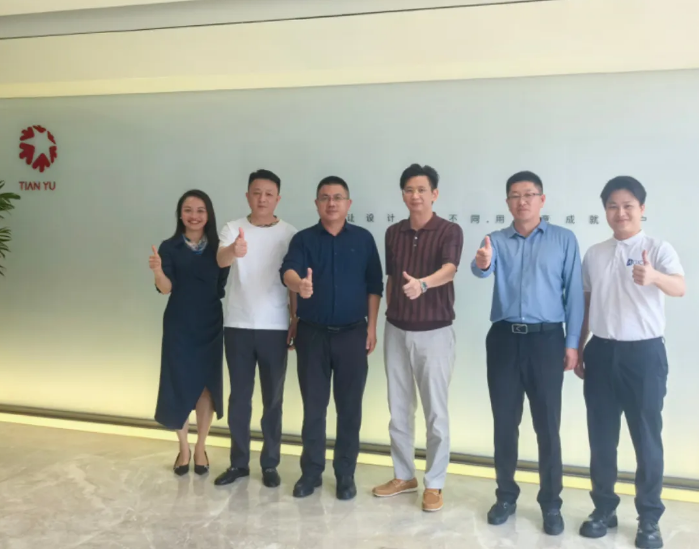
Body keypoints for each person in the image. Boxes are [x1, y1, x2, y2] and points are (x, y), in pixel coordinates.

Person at [471, 171, 583, 535]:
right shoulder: (495, 240)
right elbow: (481, 269)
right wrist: (483, 262)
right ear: (507, 202)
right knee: (505, 423)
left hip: (547, 340)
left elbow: (574, 295)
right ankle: (505, 496)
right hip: (504, 339)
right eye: (515, 195)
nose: (522, 201)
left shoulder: (564, 239)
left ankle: (551, 503)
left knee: (547, 426)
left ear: (542, 200)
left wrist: (572, 343)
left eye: (529, 194)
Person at [575, 176, 685, 549]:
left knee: (647, 438)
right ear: (605, 210)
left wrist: (654, 276)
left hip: (645, 354)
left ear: (641, 209)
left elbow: (680, 287)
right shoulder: (595, 253)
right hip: (602, 352)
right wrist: (579, 347)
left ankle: (649, 519)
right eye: (612, 206)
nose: (620, 212)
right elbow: (586, 304)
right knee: (601, 438)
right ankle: (603, 509)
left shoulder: (658, 248)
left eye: (628, 206)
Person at [280, 176, 383, 500]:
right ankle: (311, 473)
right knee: (314, 408)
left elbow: (374, 286)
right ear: (316, 204)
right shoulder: (303, 240)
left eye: (338, 197)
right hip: (312, 334)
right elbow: (288, 272)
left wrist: (371, 327)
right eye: (325, 197)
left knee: (350, 409)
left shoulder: (363, 239)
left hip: (353, 334)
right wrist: (299, 286)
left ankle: (345, 474)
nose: (332, 203)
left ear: (348, 204)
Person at [372, 164, 463, 512]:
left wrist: (423, 284)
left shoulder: (449, 230)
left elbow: (450, 270)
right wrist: (389, 313)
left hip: (435, 332)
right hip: (396, 329)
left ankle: (434, 483)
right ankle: (403, 475)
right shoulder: (393, 232)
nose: (415, 196)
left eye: (422, 190)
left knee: (435, 412)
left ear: (434, 194)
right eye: (409, 190)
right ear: (403, 195)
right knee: (398, 408)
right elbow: (392, 278)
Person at [213, 170, 297, 488]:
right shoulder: (233, 228)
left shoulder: (290, 233)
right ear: (248, 195)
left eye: (269, 193)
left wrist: (294, 319)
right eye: (256, 192)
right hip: (238, 324)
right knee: (239, 398)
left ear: (278, 198)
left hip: (275, 326)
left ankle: (270, 463)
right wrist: (233, 251)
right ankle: (239, 463)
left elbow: (292, 280)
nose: (262, 198)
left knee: (273, 399)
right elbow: (220, 261)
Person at [149, 189, 230, 476]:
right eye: (188, 210)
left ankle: (200, 447)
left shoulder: (219, 247)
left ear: (208, 215)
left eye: (200, 210)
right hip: (179, 324)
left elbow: (220, 284)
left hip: (210, 322)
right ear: (180, 214)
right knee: (179, 383)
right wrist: (158, 271)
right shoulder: (169, 247)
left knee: (206, 385)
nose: (194, 216)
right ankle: (183, 448)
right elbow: (165, 288)